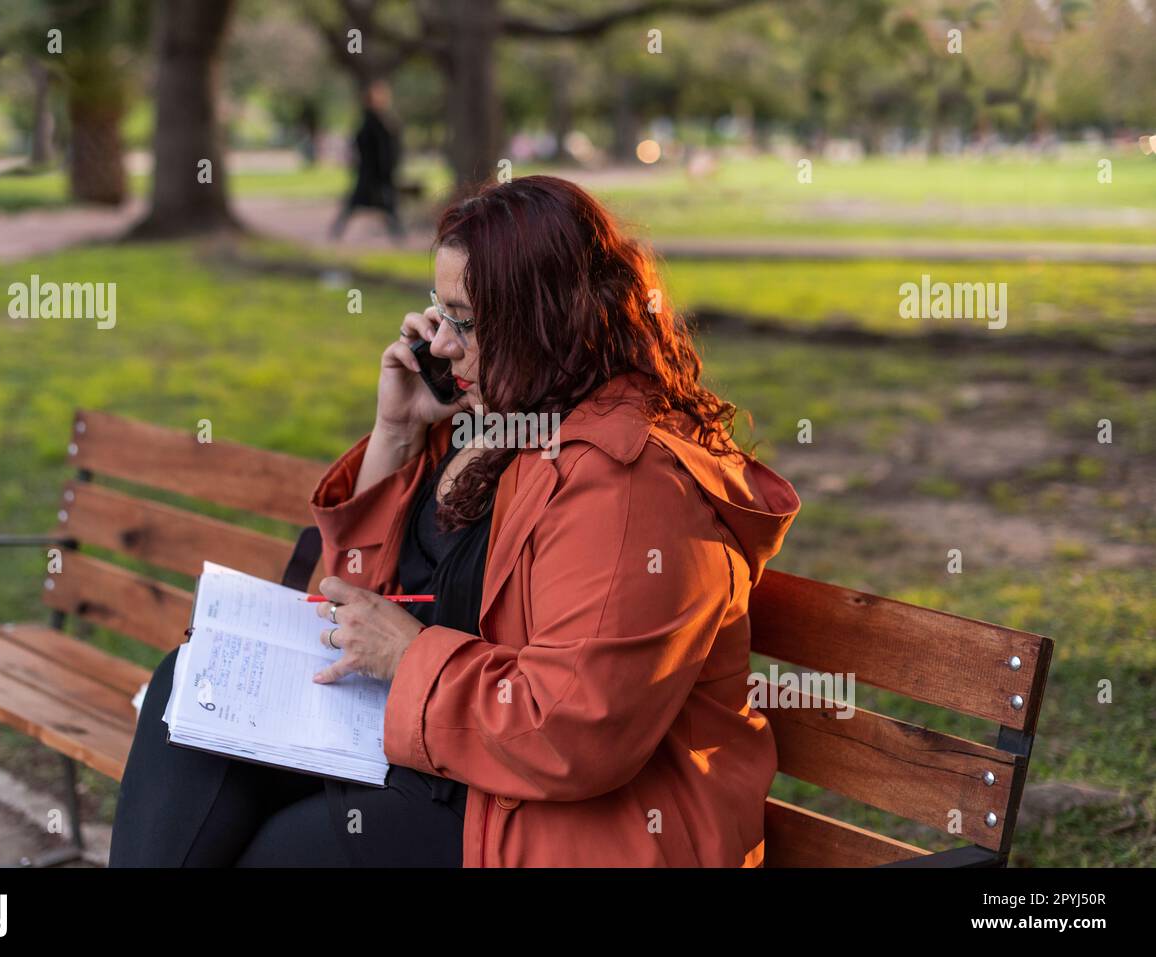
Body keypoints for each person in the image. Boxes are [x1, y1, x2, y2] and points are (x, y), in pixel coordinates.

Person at [109, 174, 800, 867]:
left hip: (560, 819)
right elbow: (346, 597)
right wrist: (397, 434)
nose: (440, 345)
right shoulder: (497, 424)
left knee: (274, 853)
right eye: (438, 314)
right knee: (188, 697)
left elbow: (572, 732)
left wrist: (408, 655)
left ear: (546, 318)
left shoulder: (628, 482)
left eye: (465, 320)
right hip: (449, 758)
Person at [329, 79, 404, 242]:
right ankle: (399, 236)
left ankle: (398, 236)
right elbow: (375, 149)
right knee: (381, 206)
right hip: (372, 175)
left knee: (386, 207)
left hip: (375, 175)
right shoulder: (372, 123)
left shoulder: (378, 121)